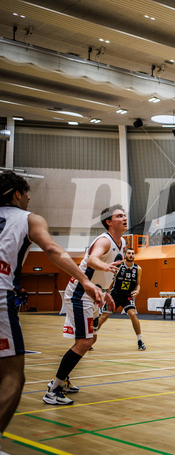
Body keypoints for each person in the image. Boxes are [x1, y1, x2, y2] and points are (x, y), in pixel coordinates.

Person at [0, 172, 104, 425]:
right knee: (12, 376)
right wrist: (85, 280)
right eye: (26, 193)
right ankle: (55, 388)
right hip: (2, 297)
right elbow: (52, 249)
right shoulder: (28, 218)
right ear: (17, 193)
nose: (29, 197)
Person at [44, 205, 124, 405]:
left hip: (95, 293)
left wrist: (106, 293)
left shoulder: (121, 242)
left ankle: (63, 379)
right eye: (119, 216)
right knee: (84, 342)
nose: (124, 218)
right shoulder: (104, 241)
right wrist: (102, 265)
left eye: (124, 215)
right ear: (108, 221)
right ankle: (53, 389)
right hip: (81, 293)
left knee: (91, 339)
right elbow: (92, 260)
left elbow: (107, 273)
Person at [96, 248, 145, 350]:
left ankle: (140, 340)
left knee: (132, 314)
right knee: (104, 317)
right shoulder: (118, 267)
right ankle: (90, 338)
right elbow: (109, 281)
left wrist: (138, 291)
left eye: (132, 253)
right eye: (129, 253)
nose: (131, 255)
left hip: (127, 296)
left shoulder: (138, 269)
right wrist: (107, 294)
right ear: (125, 255)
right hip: (115, 295)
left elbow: (138, 284)